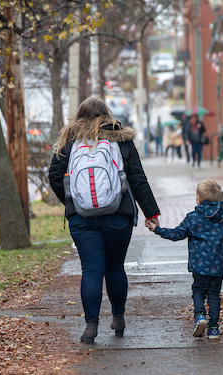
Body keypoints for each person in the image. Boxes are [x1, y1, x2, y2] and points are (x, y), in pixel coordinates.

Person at [48, 96, 160, 344]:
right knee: (115, 268)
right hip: (118, 214)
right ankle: (118, 318)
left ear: (79, 115)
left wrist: (73, 202)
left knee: (91, 269)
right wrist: (151, 213)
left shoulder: (69, 141)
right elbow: (137, 178)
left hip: (81, 218)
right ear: (107, 115)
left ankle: (91, 326)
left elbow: (54, 176)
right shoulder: (120, 139)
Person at [146, 179, 223, 339]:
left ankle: (200, 317)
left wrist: (157, 229)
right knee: (214, 294)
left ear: (198, 199)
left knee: (198, 290)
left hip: (200, 265)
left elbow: (177, 234)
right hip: (218, 265)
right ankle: (214, 329)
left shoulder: (193, 217)